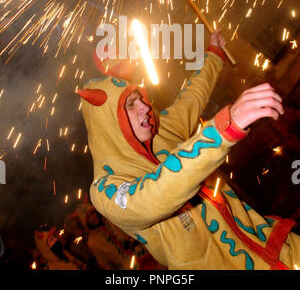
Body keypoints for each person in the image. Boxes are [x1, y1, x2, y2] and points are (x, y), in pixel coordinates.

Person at [78, 31, 300, 270]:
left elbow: (193, 95)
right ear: (110, 121)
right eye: (130, 104)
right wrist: (224, 128)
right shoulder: (105, 187)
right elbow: (152, 196)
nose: (145, 106)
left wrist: (214, 53)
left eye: (141, 98)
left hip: (273, 244)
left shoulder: (162, 129)